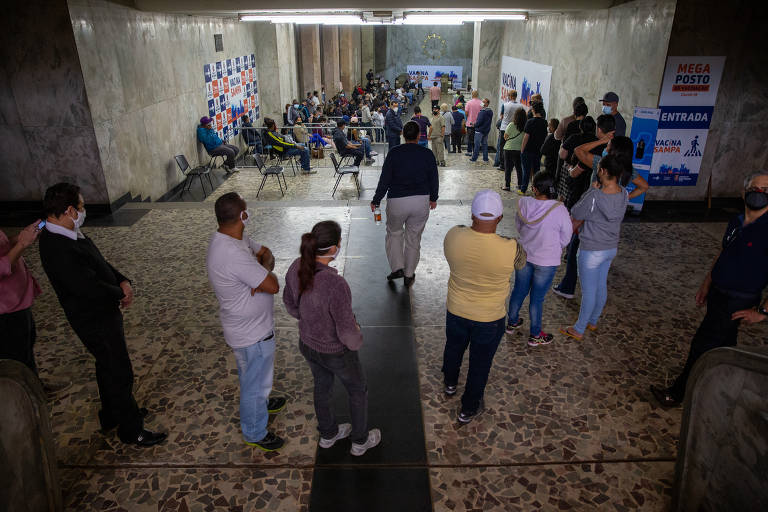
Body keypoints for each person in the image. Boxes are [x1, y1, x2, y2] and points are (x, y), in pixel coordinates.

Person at [38, 182, 167, 447]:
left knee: (106, 364)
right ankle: (131, 430)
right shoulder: (57, 246)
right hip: (93, 318)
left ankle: (112, 414)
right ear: (71, 210)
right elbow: (86, 286)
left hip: (102, 310)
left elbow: (99, 262)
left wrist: (122, 280)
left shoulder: (70, 232)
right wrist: (119, 293)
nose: (84, 211)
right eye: (82, 207)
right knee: (119, 370)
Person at [650, 171, 768, 407]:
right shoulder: (736, 221)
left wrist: (763, 312)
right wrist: (707, 283)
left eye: (766, 190)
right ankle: (725, 389)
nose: (760, 194)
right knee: (724, 344)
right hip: (718, 292)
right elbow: (723, 253)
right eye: (756, 188)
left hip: (738, 299)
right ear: (744, 192)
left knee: (702, 345)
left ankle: (677, 393)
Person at [283, 221, 381, 456]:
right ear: (335, 248)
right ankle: (359, 441)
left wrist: (308, 319)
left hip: (307, 344)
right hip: (335, 352)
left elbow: (290, 303)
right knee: (357, 390)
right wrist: (357, 337)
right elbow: (348, 334)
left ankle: (328, 434)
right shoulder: (335, 284)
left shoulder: (296, 266)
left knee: (322, 386)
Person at [206, 192, 285, 451]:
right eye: (246, 210)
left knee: (253, 376)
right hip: (251, 334)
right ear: (242, 215)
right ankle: (254, 431)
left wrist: (260, 274)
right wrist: (263, 276)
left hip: (246, 330)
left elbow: (266, 253)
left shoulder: (233, 238)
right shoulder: (232, 253)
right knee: (253, 383)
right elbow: (273, 286)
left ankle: (260, 401)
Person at [442, 190, 526, 423]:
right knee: (480, 364)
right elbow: (522, 264)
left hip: (456, 310)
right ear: (499, 218)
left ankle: (449, 384)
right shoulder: (512, 248)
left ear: (471, 214)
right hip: (490, 318)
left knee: (453, 348)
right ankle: (468, 408)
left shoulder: (453, 236)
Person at [559, 155, 629, 341]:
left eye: (599, 169)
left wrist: (590, 191)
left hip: (591, 250)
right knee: (600, 285)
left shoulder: (596, 196)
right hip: (610, 248)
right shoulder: (624, 193)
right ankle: (593, 320)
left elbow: (576, 211)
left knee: (588, 291)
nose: (597, 171)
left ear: (604, 172)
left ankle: (579, 329)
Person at [505, 172, 571, 346]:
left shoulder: (523, 203)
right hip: (547, 261)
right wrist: (555, 248)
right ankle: (535, 334)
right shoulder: (560, 209)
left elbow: (519, 227)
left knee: (519, 290)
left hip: (525, 254)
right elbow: (567, 236)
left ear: (534, 189)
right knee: (537, 298)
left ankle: (511, 323)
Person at [371, 121, 439, 287]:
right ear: (418, 135)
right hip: (420, 200)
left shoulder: (394, 153)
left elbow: (384, 179)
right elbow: (433, 178)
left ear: (402, 134)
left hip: (397, 201)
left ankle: (397, 268)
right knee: (413, 237)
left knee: (394, 233)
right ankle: (409, 274)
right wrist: (433, 198)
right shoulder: (427, 154)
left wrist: (376, 199)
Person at [519, 102, 548, 194]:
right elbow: (545, 136)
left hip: (528, 150)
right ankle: (536, 190)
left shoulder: (530, 122)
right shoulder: (544, 122)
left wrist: (522, 149)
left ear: (533, 110)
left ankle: (523, 189)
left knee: (526, 171)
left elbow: (526, 137)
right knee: (536, 170)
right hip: (538, 150)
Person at [495, 90, 521, 169]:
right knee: (512, 147)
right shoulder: (520, 106)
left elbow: (502, 117)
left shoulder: (505, 105)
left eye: (508, 95)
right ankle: (511, 165)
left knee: (503, 147)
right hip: (515, 129)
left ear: (511, 96)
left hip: (504, 128)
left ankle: (503, 165)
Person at [502, 107, 526, 192]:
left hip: (509, 148)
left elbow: (505, 136)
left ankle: (507, 185)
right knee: (519, 168)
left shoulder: (511, 125)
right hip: (519, 149)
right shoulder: (525, 126)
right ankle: (520, 185)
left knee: (508, 168)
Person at [470, 98, 493, 162]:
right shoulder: (490, 111)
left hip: (479, 131)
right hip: (486, 130)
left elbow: (479, 122)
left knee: (477, 145)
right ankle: (485, 158)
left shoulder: (482, 112)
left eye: (483, 102)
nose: (482, 103)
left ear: (487, 104)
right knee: (485, 144)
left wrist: (474, 124)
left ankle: (474, 158)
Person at [464, 91, 483, 156]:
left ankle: (469, 151)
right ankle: (476, 152)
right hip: (479, 124)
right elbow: (483, 111)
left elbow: (466, 113)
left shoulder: (468, 103)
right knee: (477, 139)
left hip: (470, 123)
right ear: (477, 95)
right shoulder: (481, 103)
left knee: (470, 138)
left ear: (472, 95)